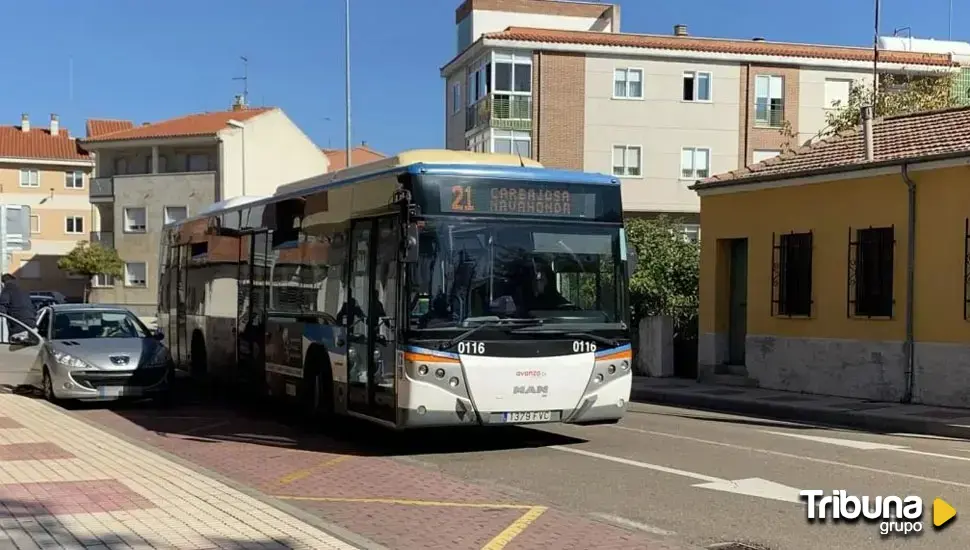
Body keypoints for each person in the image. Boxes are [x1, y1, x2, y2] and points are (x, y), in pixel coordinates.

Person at [0, 274, 37, 341]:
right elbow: (33, 309)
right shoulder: (23, 291)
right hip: (32, 327)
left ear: (3, 283)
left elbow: (2, 308)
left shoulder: (7, 289)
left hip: (19, 328)